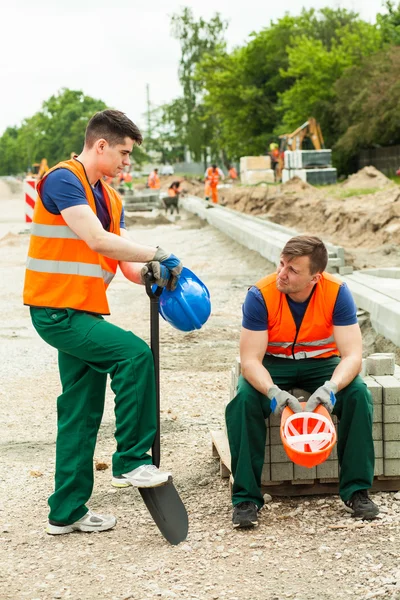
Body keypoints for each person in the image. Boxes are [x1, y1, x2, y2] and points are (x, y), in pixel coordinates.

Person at [23, 109, 183, 535]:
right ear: (100, 145)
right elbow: (95, 239)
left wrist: (153, 272)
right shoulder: (62, 179)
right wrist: (157, 251)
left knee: (80, 408)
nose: (127, 164)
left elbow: (123, 259)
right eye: (124, 154)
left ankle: (66, 510)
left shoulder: (111, 198)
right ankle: (132, 459)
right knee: (134, 356)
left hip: (83, 310)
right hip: (57, 312)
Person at [226, 235, 379, 529]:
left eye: (293, 270)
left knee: (358, 394)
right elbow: (250, 362)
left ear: (315, 278)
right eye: (282, 264)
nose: (282, 274)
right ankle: (245, 498)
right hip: (274, 364)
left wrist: (331, 388)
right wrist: (273, 393)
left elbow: (352, 356)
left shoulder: (337, 293)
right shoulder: (260, 295)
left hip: (321, 364)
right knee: (244, 399)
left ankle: (357, 491)